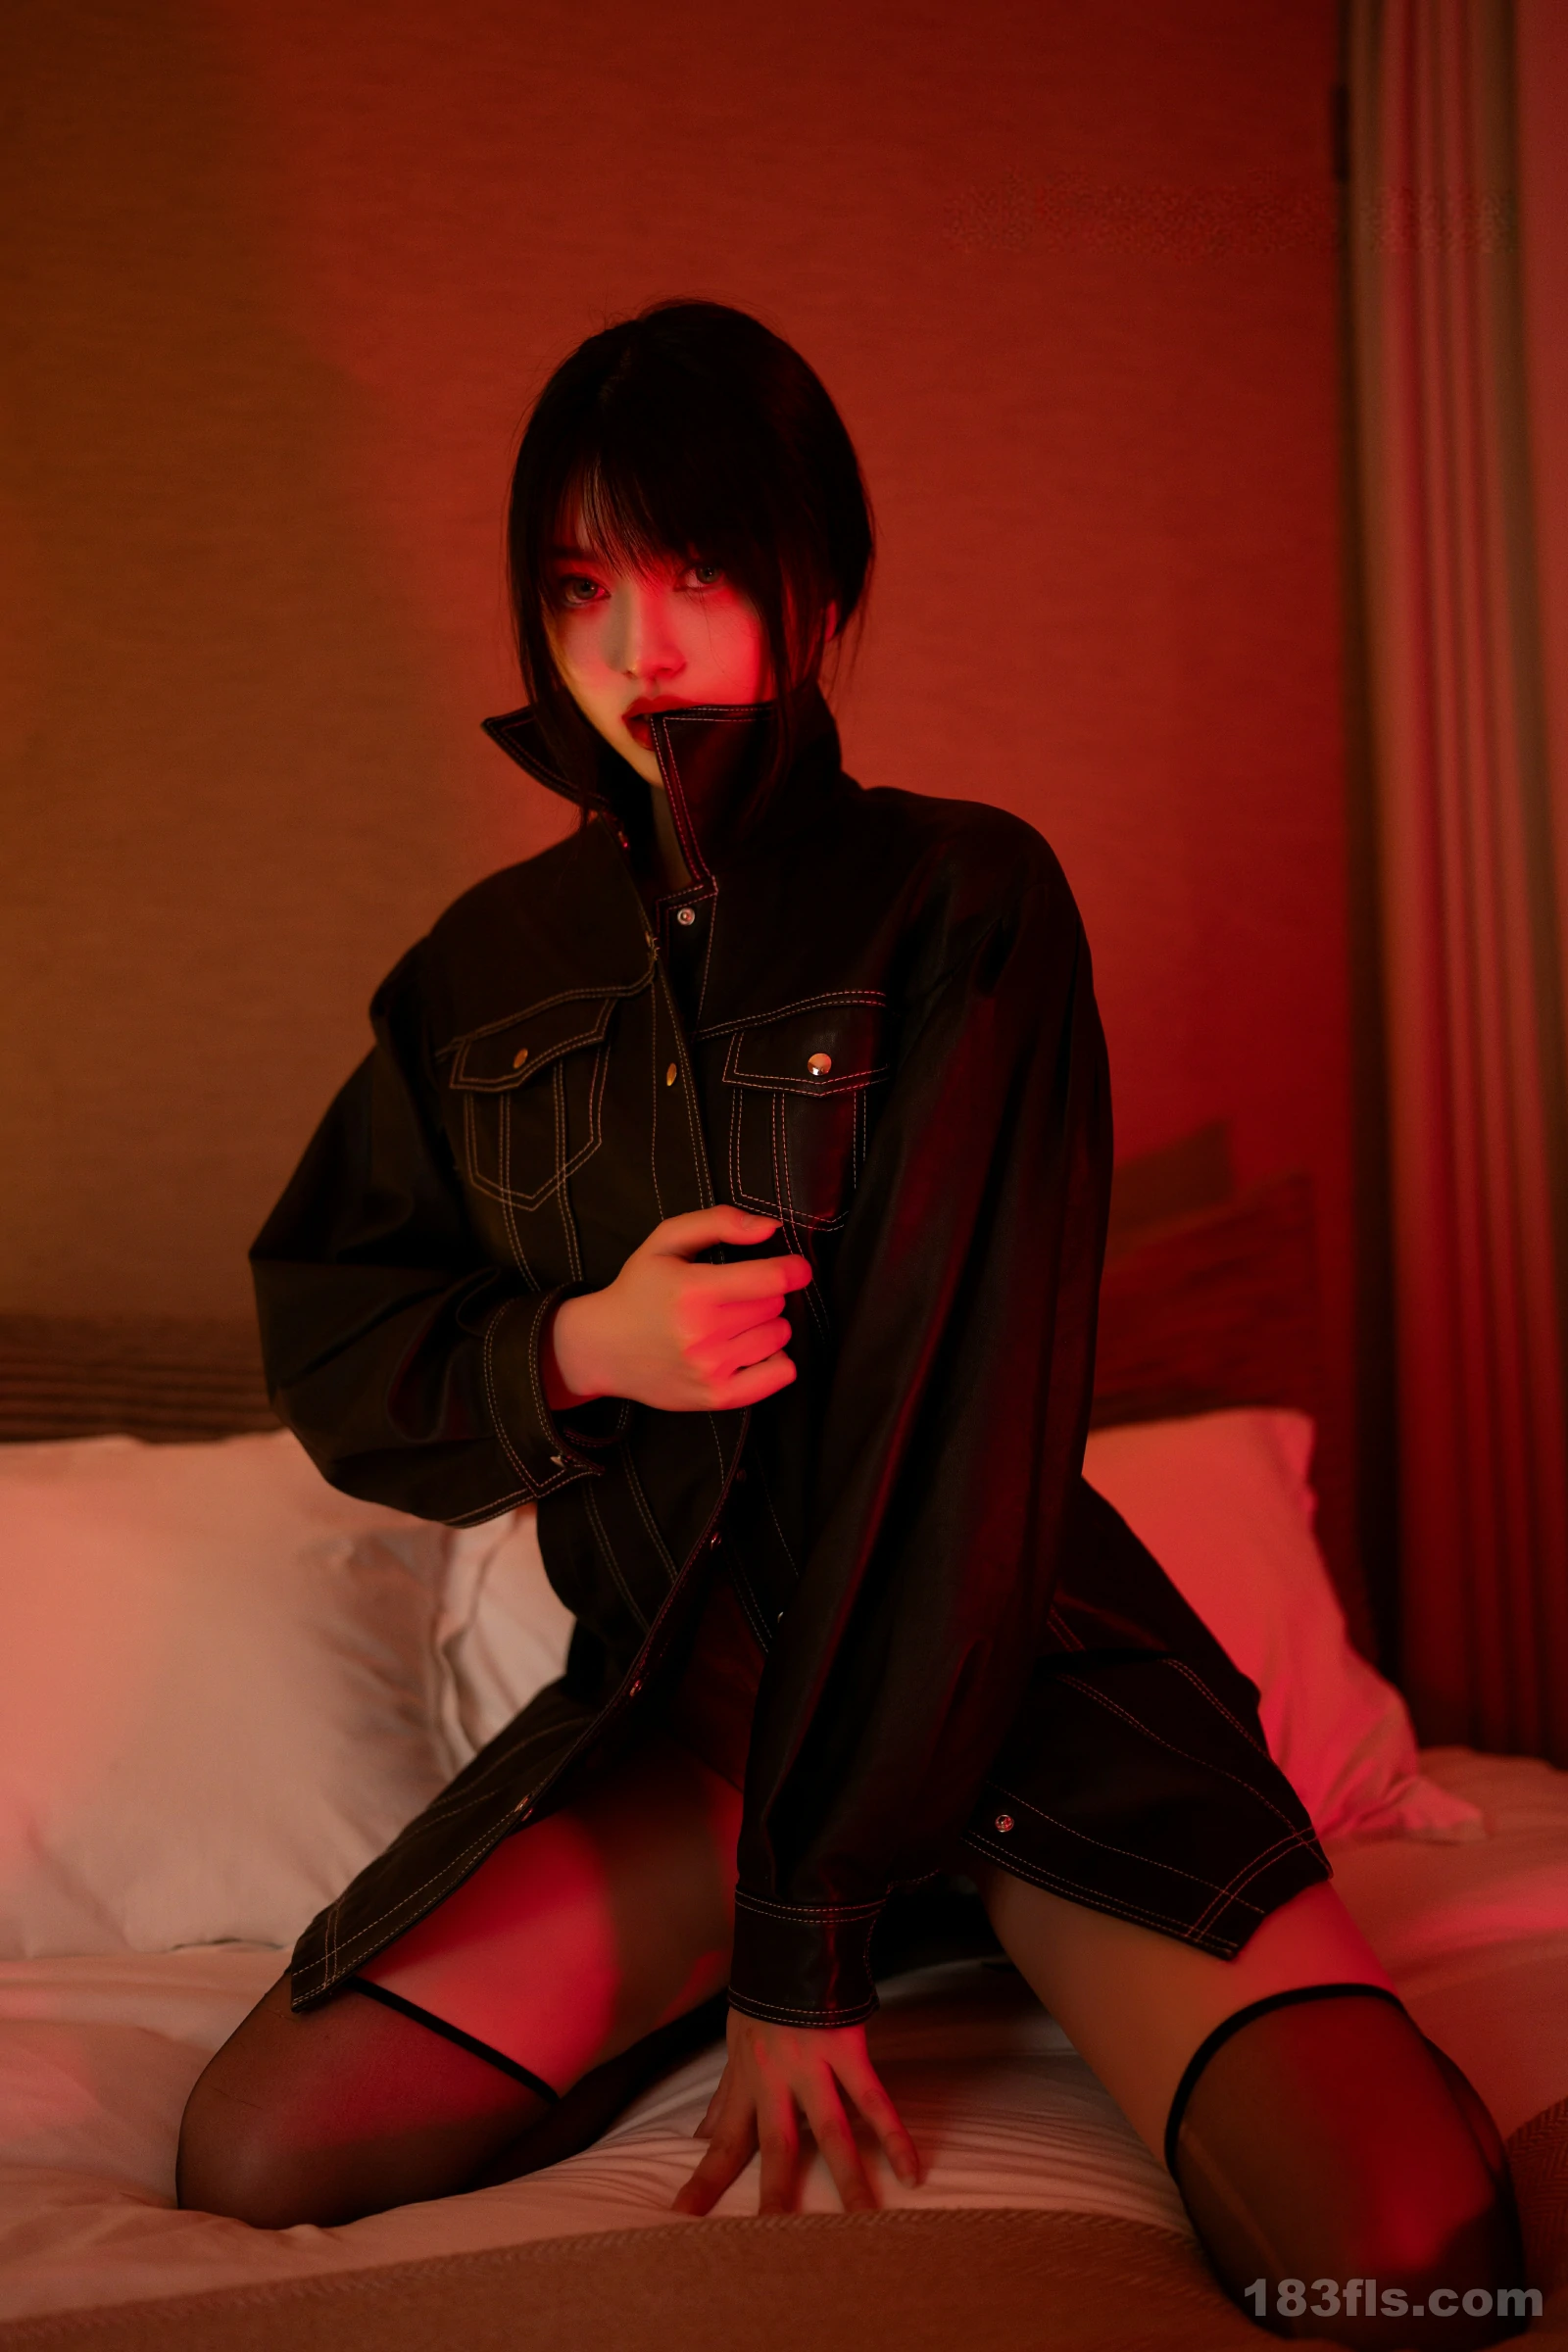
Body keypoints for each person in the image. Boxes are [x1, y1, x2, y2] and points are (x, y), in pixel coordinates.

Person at [177, 301, 1526, 2346]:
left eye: (697, 574)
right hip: (690, 1722)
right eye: (579, 586)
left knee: (1406, 2257)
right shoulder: (479, 975)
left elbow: (945, 1427)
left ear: (823, 586)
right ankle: (854, 1907)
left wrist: (803, 1949)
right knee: (259, 2151)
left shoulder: (964, 898)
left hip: (1019, 1688)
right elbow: (342, 1333)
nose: (636, 646)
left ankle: (936, 1898)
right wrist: (579, 1350)